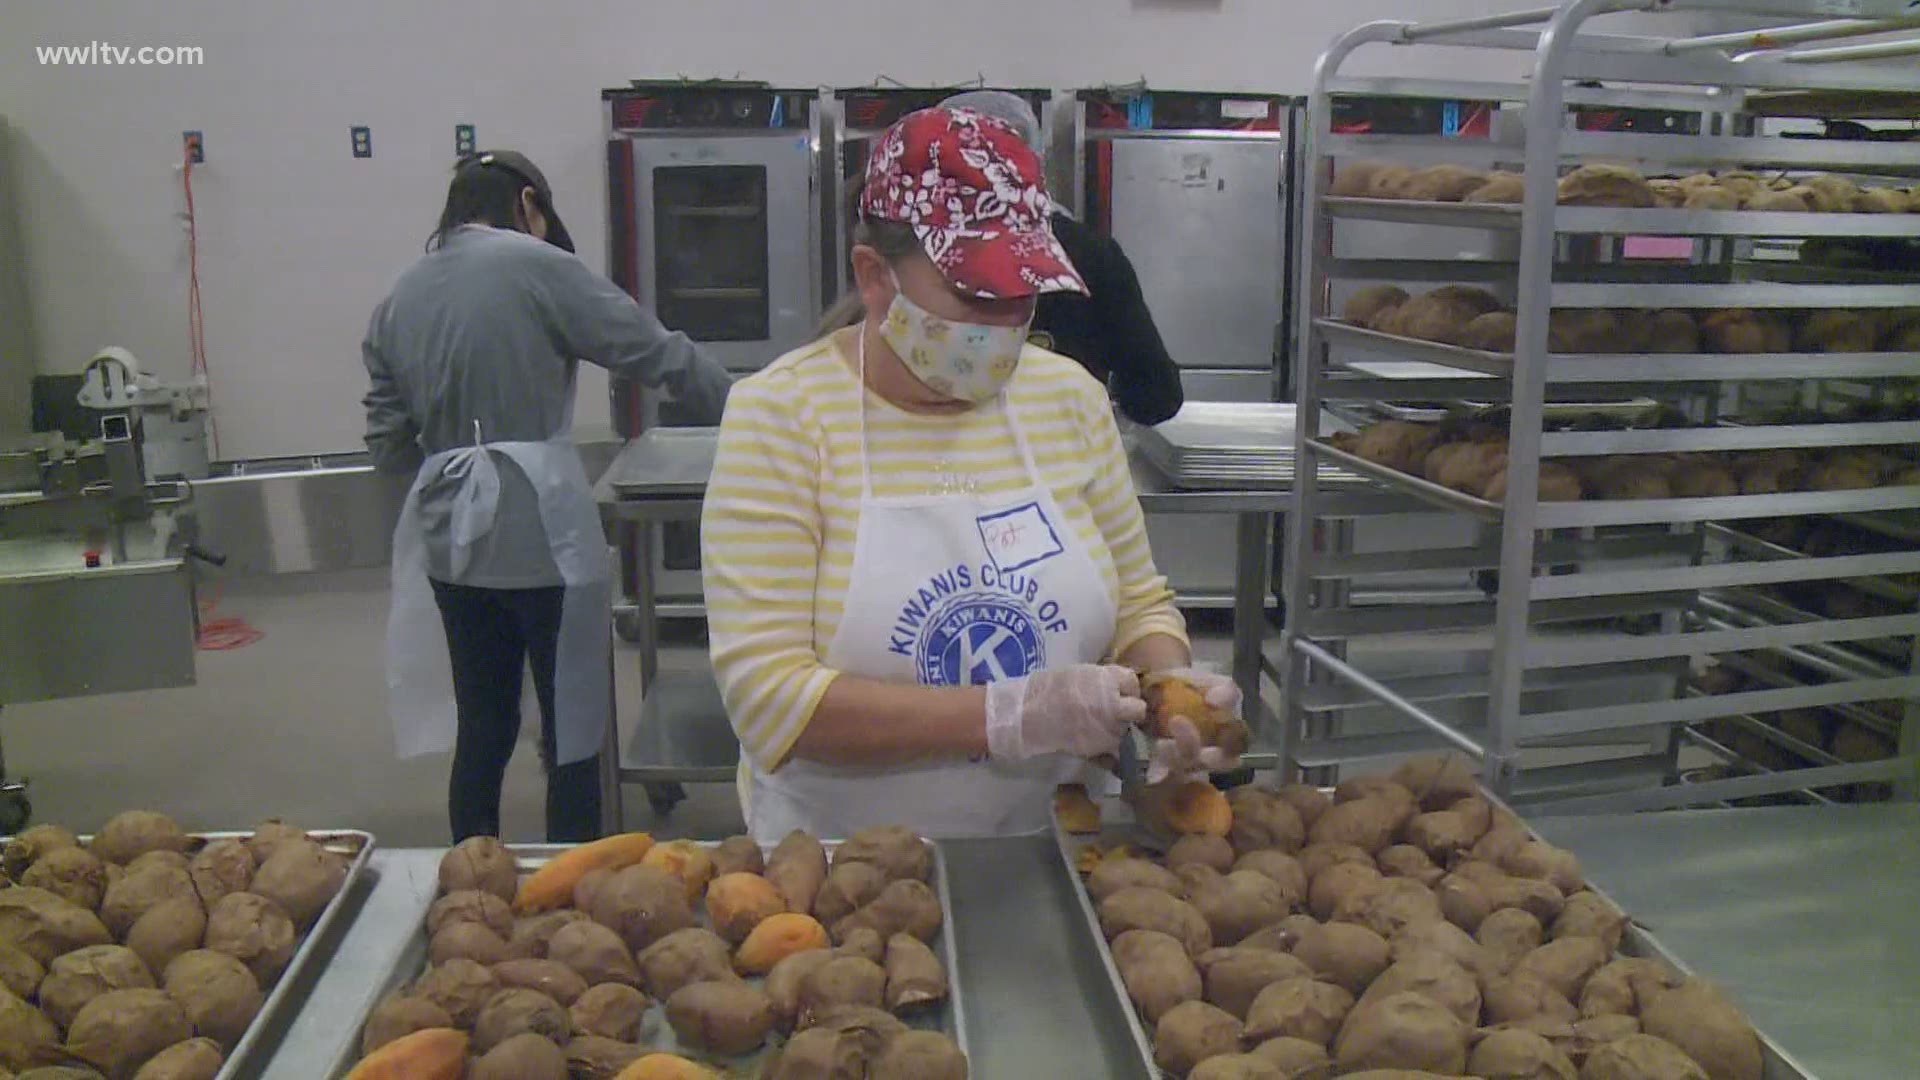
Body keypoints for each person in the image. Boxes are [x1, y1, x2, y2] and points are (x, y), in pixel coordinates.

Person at [701, 107, 1235, 842]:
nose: (1008, 320)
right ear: (876, 277)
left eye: (1024, 292)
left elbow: (1138, 603)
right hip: (842, 874)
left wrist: (1173, 685)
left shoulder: (1068, 398)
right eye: (978, 295)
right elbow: (772, 702)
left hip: (1052, 853)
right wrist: (1010, 716)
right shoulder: (782, 416)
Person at [363, 149, 732, 843]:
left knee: (485, 723)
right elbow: (655, 352)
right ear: (527, 202)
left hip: (449, 543)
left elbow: (386, 444)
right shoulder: (535, 266)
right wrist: (762, 411)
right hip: (544, 536)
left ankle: (474, 877)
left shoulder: (400, 295)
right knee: (574, 724)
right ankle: (576, 889)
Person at [940, 90, 1184, 427]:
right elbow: (1156, 396)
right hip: (1063, 460)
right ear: (1034, 159)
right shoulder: (1089, 254)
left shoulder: (918, 254)